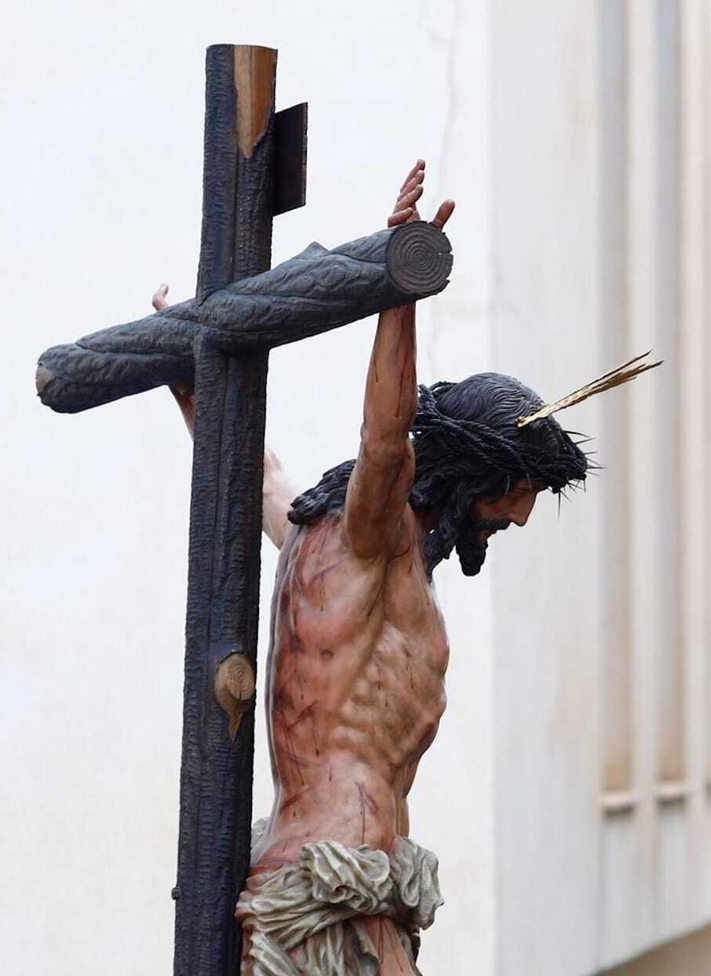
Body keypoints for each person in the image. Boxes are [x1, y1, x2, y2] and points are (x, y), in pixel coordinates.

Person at [154, 160, 591, 976]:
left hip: (347, 888)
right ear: (473, 475)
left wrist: (199, 397)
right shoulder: (374, 531)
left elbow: (257, 478)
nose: (518, 518)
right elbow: (387, 439)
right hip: (332, 892)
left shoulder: (323, 546)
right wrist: (400, 281)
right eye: (514, 497)